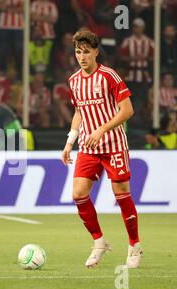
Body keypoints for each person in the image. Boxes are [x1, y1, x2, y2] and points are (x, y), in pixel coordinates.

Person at [61, 29, 143, 269]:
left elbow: (127, 110)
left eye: (86, 52)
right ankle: (99, 243)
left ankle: (134, 245)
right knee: (78, 194)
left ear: (96, 52)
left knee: (121, 195)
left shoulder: (109, 76)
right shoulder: (74, 81)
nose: (82, 56)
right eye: (78, 52)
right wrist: (69, 142)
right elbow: (79, 112)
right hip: (88, 145)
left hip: (114, 144)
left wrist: (102, 129)